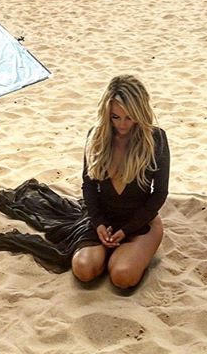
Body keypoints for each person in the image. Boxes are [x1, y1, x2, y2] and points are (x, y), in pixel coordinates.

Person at [72, 74, 170, 289]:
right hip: (104, 219)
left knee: (122, 276)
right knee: (83, 269)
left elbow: (160, 193)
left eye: (129, 117)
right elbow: (88, 186)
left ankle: (126, 254)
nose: (122, 124)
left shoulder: (155, 139)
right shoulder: (96, 136)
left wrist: (126, 230)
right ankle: (111, 253)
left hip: (141, 221)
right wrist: (98, 223)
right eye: (115, 117)